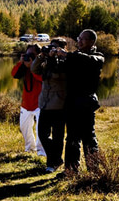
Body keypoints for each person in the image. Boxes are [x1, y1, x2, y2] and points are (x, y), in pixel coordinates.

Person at [58, 29, 105, 174]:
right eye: (79, 38)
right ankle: (71, 171)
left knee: (88, 137)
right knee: (72, 137)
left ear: (92, 42)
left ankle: (94, 171)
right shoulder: (74, 57)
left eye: (83, 39)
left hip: (86, 103)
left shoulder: (98, 57)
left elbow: (86, 60)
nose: (79, 41)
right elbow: (60, 68)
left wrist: (68, 55)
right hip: (72, 102)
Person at [31, 38, 68, 173]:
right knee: (42, 134)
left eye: (55, 48)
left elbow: (57, 76)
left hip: (59, 104)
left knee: (58, 136)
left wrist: (55, 59)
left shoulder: (65, 62)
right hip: (45, 104)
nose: (52, 50)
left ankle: (51, 163)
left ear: (62, 49)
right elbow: (34, 69)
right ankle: (56, 159)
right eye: (51, 47)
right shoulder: (46, 62)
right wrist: (41, 56)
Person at [12, 44, 45, 156]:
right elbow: (14, 74)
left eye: (32, 54)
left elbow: (42, 78)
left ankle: (41, 152)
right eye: (27, 54)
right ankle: (30, 148)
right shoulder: (24, 66)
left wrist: (33, 66)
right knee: (24, 127)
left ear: (38, 54)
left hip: (40, 103)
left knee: (40, 129)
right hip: (26, 103)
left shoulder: (43, 64)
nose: (29, 56)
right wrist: (21, 63)